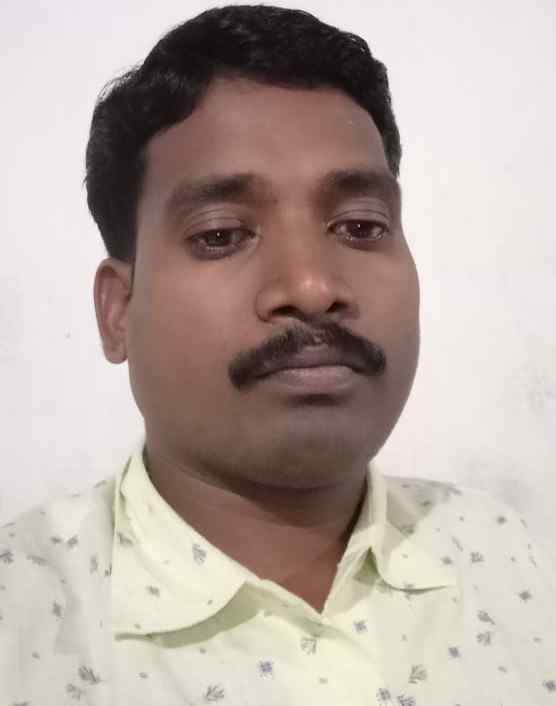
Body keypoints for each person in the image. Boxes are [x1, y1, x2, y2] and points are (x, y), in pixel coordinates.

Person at [1, 5, 554, 705]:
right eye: (222, 234)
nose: (313, 287)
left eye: (360, 226)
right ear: (118, 312)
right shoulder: (24, 621)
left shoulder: (514, 562)